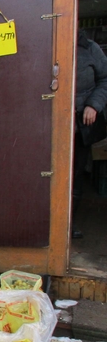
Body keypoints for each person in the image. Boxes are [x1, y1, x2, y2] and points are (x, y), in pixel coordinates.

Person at [73, 29, 107, 238]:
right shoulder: (47, 39)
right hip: (50, 125)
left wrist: (93, 105)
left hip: (80, 126)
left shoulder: (90, 49)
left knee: (75, 175)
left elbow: (105, 79)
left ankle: (67, 225)